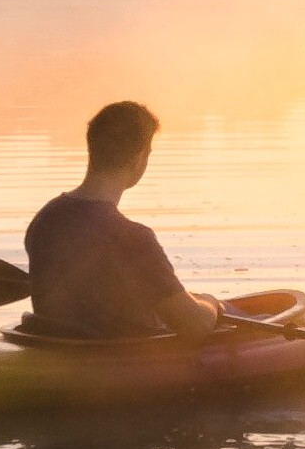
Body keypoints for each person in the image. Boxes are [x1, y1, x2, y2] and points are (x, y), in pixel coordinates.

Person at [23, 101, 224, 339]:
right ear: (140, 158)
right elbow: (196, 326)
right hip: (114, 364)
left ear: (93, 149)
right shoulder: (133, 239)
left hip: (60, 351)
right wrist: (210, 303)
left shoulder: (46, 219)